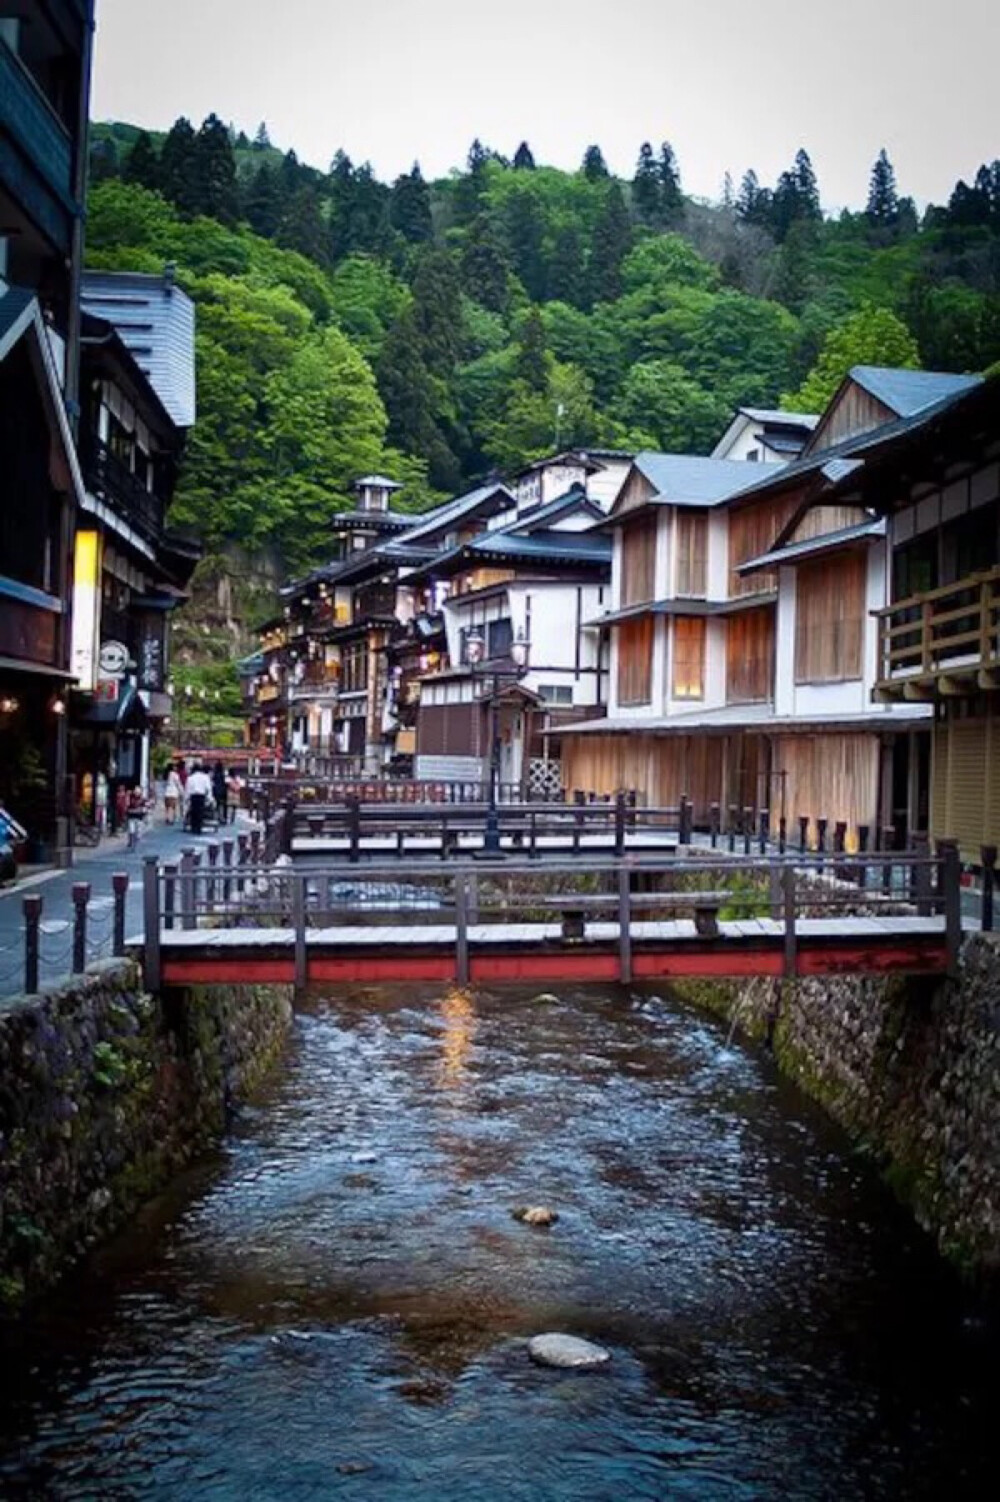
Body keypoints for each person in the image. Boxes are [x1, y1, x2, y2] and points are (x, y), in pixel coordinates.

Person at [185, 762, 211, 835]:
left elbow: (188, 789)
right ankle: (199, 828)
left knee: (193, 812)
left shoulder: (190, 778)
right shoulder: (205, 777)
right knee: (200, 812)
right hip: (201, 796)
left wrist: (186, 799)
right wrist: (209, 798)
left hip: (193, 796)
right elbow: (208, 788)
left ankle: (194, 827)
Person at [212, 761, 227, 826]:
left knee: (217, 805)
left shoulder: (214, 774)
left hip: (216, 791)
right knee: (224, 805)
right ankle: (224, 818)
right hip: (223, 791)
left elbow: (213, 782)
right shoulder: (223, 775)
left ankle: (217, 817)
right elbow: (225, 783)